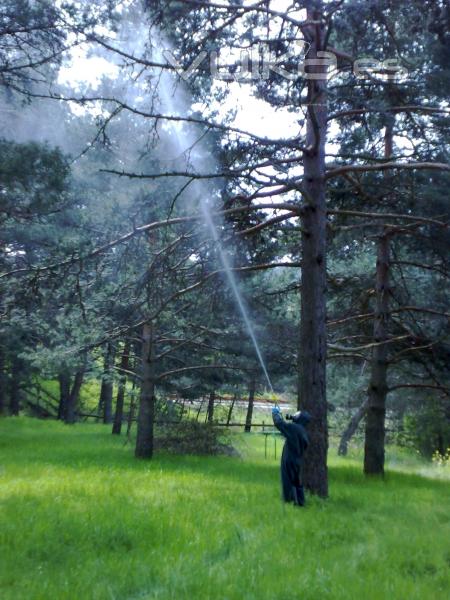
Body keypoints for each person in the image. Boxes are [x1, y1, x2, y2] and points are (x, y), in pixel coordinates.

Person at [272, 406, 311, 506]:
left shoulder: (294, 428)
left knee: (288, 481)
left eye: (297, 414)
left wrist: (275, 414)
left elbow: (280, 424)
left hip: (289, 459)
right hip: (297, 461)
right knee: (296, 482)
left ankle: (290, 501)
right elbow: (288, 422)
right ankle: (300, 503)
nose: (295, 414)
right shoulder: (303, 431)